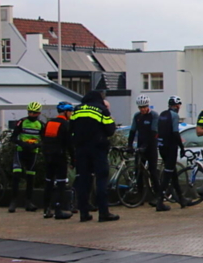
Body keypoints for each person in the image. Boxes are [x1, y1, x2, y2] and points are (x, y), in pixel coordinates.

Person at [71, 90, 119, 222]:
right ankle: (104, 213)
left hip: (81, 150)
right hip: (98, 149)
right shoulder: (101, 109)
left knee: (83, 180)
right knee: (101, 179)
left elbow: (71, 128)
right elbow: (110, 130)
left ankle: (84, 213)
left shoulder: (77, 110)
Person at [155, 95, 194, 211]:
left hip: (161, 146)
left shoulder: (162, 114)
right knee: (168, 175)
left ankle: (181, 199)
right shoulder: (174, 115)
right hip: (170, 147)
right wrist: (181, 147)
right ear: (177, 106)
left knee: (173, 173)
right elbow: (175, 133)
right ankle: (160, 201)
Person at [40, 102, 75, 220]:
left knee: (48, 182)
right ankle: (58, 210)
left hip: (48, 156)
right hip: (59, 156)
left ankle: (46, 210)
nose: (71, 114)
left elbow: (43, 138)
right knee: (60, 183)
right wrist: (73, 159)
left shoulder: (50, 122)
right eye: (70, 111)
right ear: (66, 112)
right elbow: (69, 143)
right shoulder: (66, 124)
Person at [8, 101, 45, 213]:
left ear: (38, 113)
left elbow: (45, 141)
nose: (31, 114)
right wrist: (22, 143)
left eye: (34, 113)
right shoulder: (22, 122)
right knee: (17, 175)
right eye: (30, 112)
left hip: (33, 152)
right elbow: (13, 138)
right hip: (21, 151)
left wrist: (36, 145)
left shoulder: (41, 125)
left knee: (30, 177)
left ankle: (28, 202)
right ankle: (13, 202)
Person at [127, 95, 161, 206]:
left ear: (148, 106)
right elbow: (132, 131)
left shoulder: (154, 115)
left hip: (151, 146)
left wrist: (146, 145)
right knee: (139, 171)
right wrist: (130, 145)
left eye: (144, 107)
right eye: (141, 107)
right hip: (140, 146)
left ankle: (158, 196)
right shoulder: (137, 116)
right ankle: (140, 197)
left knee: (153, 171)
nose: (143, 109)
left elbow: (153, 133)